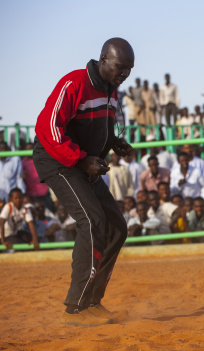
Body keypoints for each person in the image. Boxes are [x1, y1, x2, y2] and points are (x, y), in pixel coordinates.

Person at [32, 38, 135, 326]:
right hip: (58, 159)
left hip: (84, 163)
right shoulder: (74, 83)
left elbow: (99, 126)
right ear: (103, 59)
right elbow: (49, 129)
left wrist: (114, 143)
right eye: (120, 66)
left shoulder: (112, 90)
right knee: (91, 220)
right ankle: (75, 309)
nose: (125, 73)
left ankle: (92, 301)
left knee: (116, 227)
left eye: (129, 68)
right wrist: (80, 159)